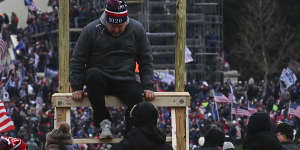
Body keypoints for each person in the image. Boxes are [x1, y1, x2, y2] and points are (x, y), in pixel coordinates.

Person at [70, 0, 155, 139]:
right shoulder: (92, 30)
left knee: (136, 96)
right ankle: (103, 122)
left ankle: (131, 133)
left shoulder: (136, 29)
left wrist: (148, 85)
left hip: (125, 80)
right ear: (106, 20)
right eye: (112, 26)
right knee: (91, 75)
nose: (116, 30)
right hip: (99, 79)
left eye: (120, 26)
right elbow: (78, 59)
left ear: (125, 21)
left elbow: (145, 59)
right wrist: (77, 86)